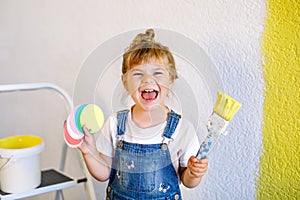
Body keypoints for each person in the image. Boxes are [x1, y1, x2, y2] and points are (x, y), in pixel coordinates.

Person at [78, 29, 209, 200]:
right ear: (125, 81)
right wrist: (89, 152)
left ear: (171, 80)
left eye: (157, 73)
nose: (147, 80)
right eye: (138, 73)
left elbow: (188, 181)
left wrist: (194, 173)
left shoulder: (183, 129)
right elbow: (103, 174)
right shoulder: (114, 123)